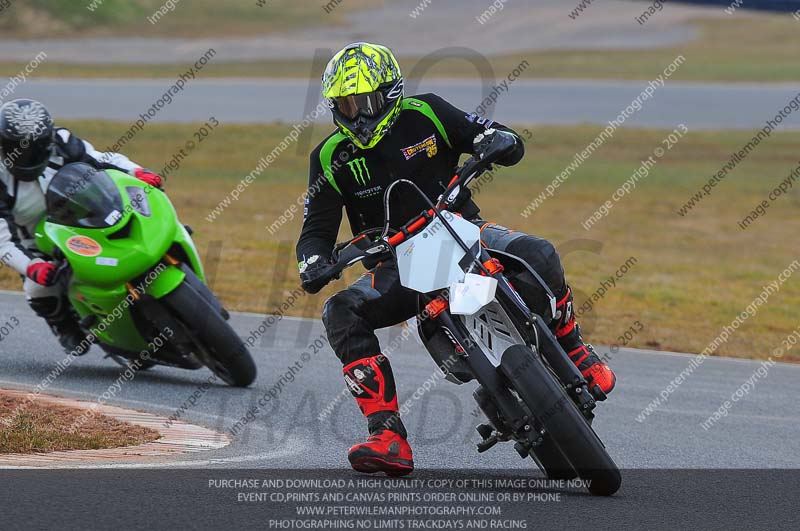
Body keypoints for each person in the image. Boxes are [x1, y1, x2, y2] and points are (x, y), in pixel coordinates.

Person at [296, 43, 615, 476]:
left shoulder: (426, 111)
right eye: (346, 106)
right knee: (339, 311)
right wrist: (313, 262)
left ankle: (574, 347)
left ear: (390, 93)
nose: (356, 115)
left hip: (462, 227)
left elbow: (490, 133)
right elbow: (315, 230)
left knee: (538, 251)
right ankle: (386, 434)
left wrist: (497, 141)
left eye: (364, 102)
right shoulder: (329, 157)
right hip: (396, 262)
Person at [0, 98, 163, 355]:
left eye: (36, 148)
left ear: (47, 140)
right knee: (39, 286)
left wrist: (137, 171)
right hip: (33, 241)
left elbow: (100, 158)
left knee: (140, 218)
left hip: (84, 219)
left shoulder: (62, 141)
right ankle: (61, 323)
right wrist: (32, 266)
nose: (27, 156)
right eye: (17, 149)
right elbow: (2, 240)